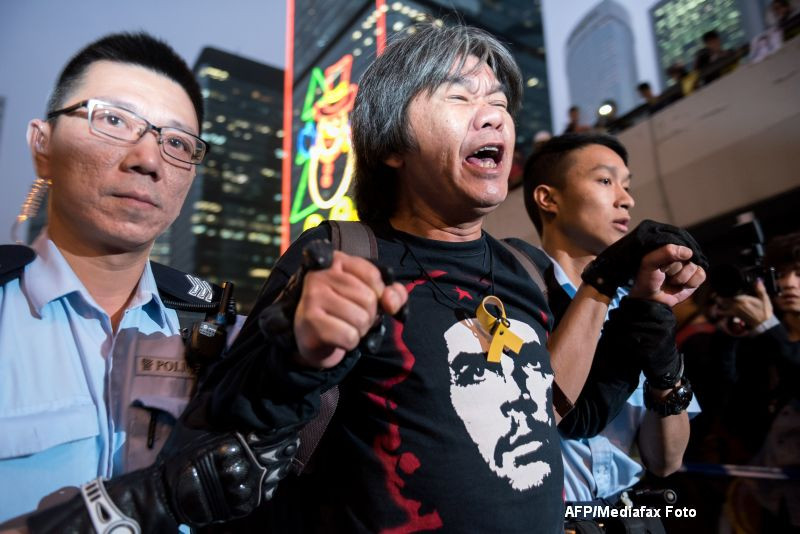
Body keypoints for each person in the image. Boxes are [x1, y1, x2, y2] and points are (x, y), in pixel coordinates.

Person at [13, 23, 706, 534]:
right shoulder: (340, 253)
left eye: (498, 100)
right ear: (390, 144)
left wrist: (640, 307)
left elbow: (556, 412)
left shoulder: (523, 270)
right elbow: (224, 424)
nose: (494, 112)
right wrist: (298, 350)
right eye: (460, 97)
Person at [0, 32, 220, 523]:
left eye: (178, 142)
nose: (148, 160)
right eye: (114, 120)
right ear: (42, 145)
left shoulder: (208, 327)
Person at [522, 133, 701, 530]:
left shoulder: (636, 304)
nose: (626, 199)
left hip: (631, 517)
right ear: (547, 198)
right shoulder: (517, 296)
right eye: (605, 181)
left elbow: (666, 461)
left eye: (627, 185)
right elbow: (541, 411)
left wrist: (665, 371)